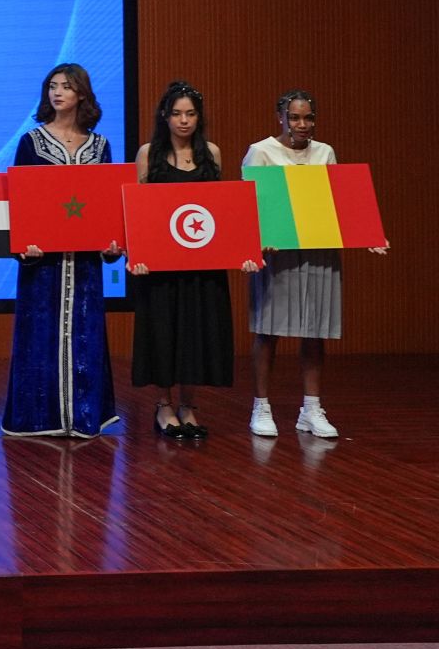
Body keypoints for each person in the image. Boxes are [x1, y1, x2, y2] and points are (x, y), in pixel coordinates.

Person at [245, 90, 388, 439]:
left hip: (319, 250)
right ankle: (261, 407)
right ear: (280, 117)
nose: (302, 124)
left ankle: (311, 409)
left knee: (315, 329)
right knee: (268, 329)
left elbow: (338, 203)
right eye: (294, 117)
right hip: (277, 254)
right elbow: (250, 205)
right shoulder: (261, 151)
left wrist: (366, 234)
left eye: (308, 118)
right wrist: (262, 236)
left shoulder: (325, 152)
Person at [128, 81, 254, 438]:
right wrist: (139, 255)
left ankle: (188, 406)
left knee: (196, 333)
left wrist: (242, 253)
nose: (184, 120)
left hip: (202, 264)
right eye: (177, 113)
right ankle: (163, 405)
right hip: (160, 267)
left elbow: (221, 211)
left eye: (191, 114)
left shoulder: (211, 153)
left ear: (199, 117)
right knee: (163, 331)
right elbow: (139, 212)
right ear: (164, 116)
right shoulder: (148, 154)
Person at [4, 62, 122, 438]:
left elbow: (105, 204)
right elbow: (20, 201)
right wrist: (24, 244)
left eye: (66, 86)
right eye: (52, 86)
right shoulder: (31, 142)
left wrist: (111, 244)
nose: (57, 92)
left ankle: (83, 415)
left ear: (81, 94)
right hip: (42, 264)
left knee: (86, 333)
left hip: (85, 264)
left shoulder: (99, 146)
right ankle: (39, 417)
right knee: (39, 334)